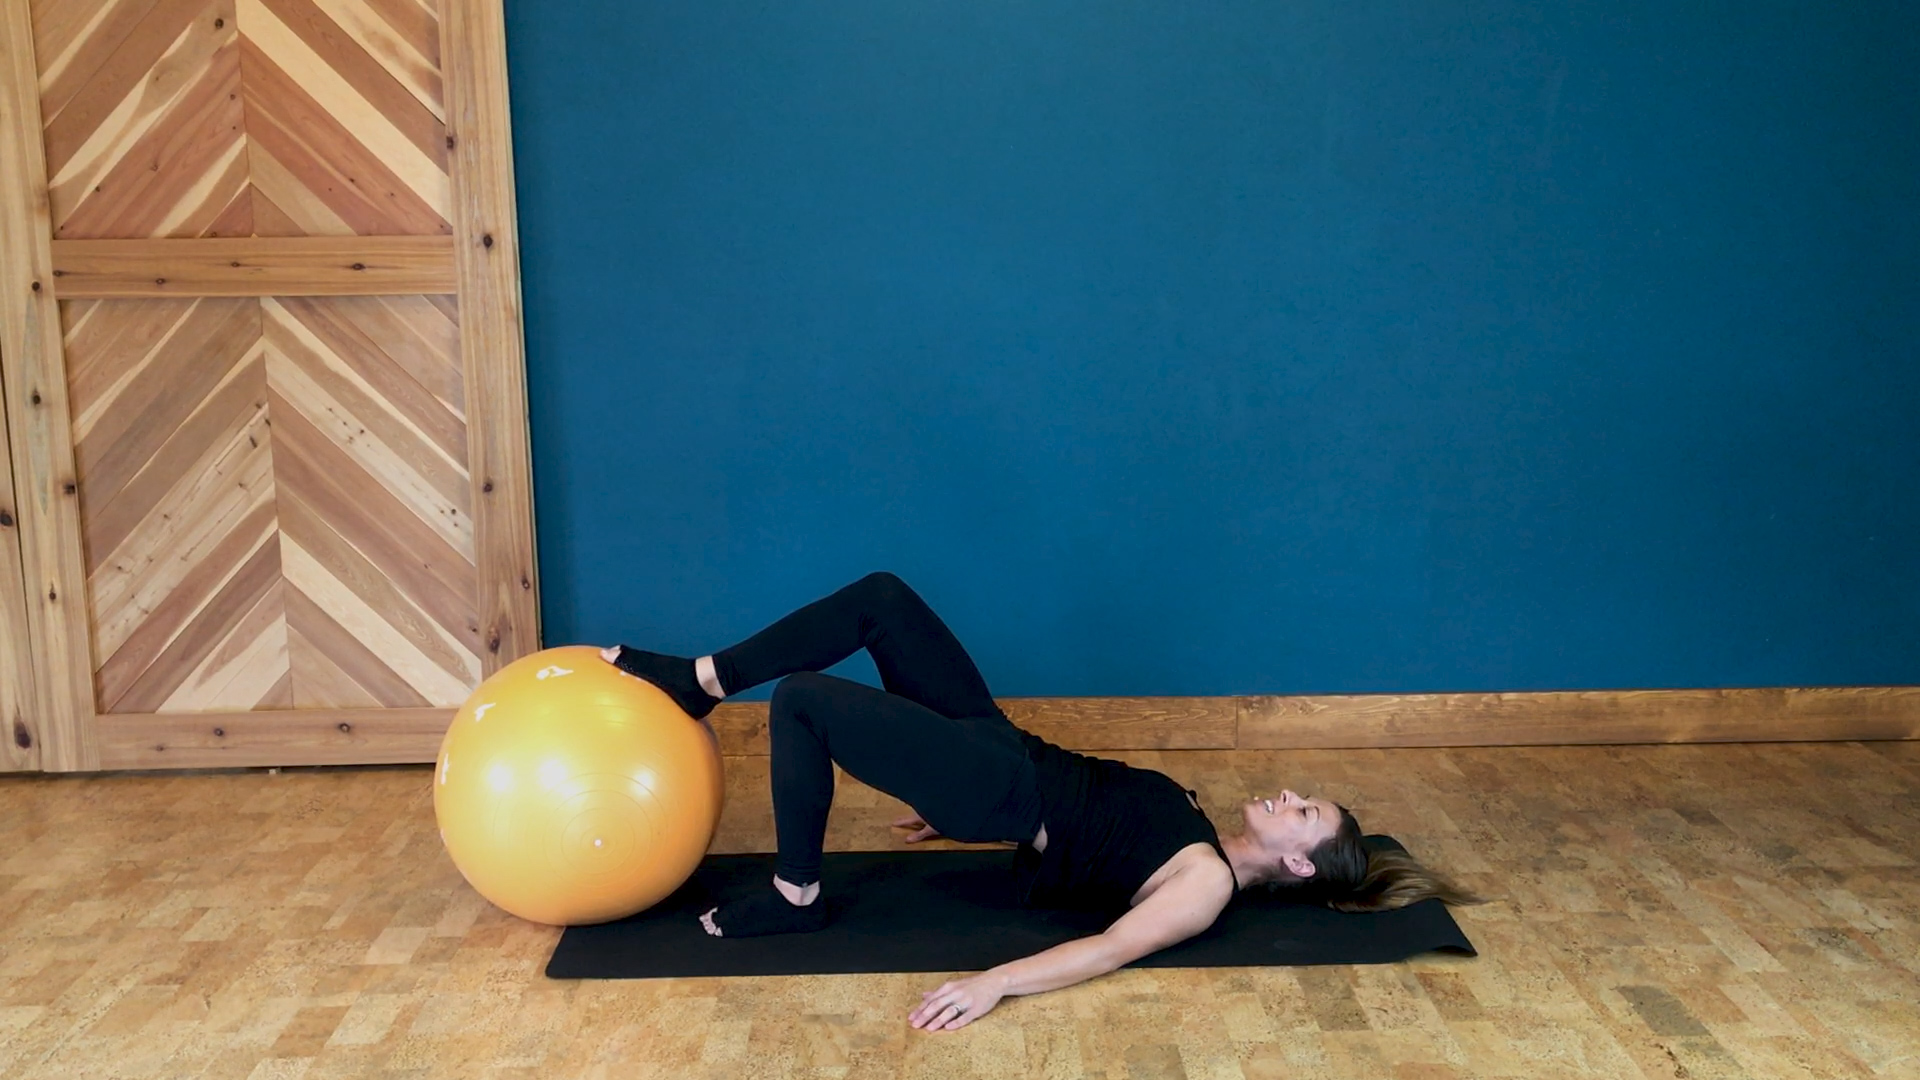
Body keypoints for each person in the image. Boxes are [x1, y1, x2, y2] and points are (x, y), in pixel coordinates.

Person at [601, 571, 1477, 1031]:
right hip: (999, 749)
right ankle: (703, 679)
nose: (1290, 796)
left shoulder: (1204, 886)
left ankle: (797, 894)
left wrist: (996, 984)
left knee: (802, 698)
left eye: (1306, 812)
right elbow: (1096, 832)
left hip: (1001, 788)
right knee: (881, 598)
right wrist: (946, 812)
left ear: (1295, 861)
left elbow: (1107, 948)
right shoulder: (1200, 827)